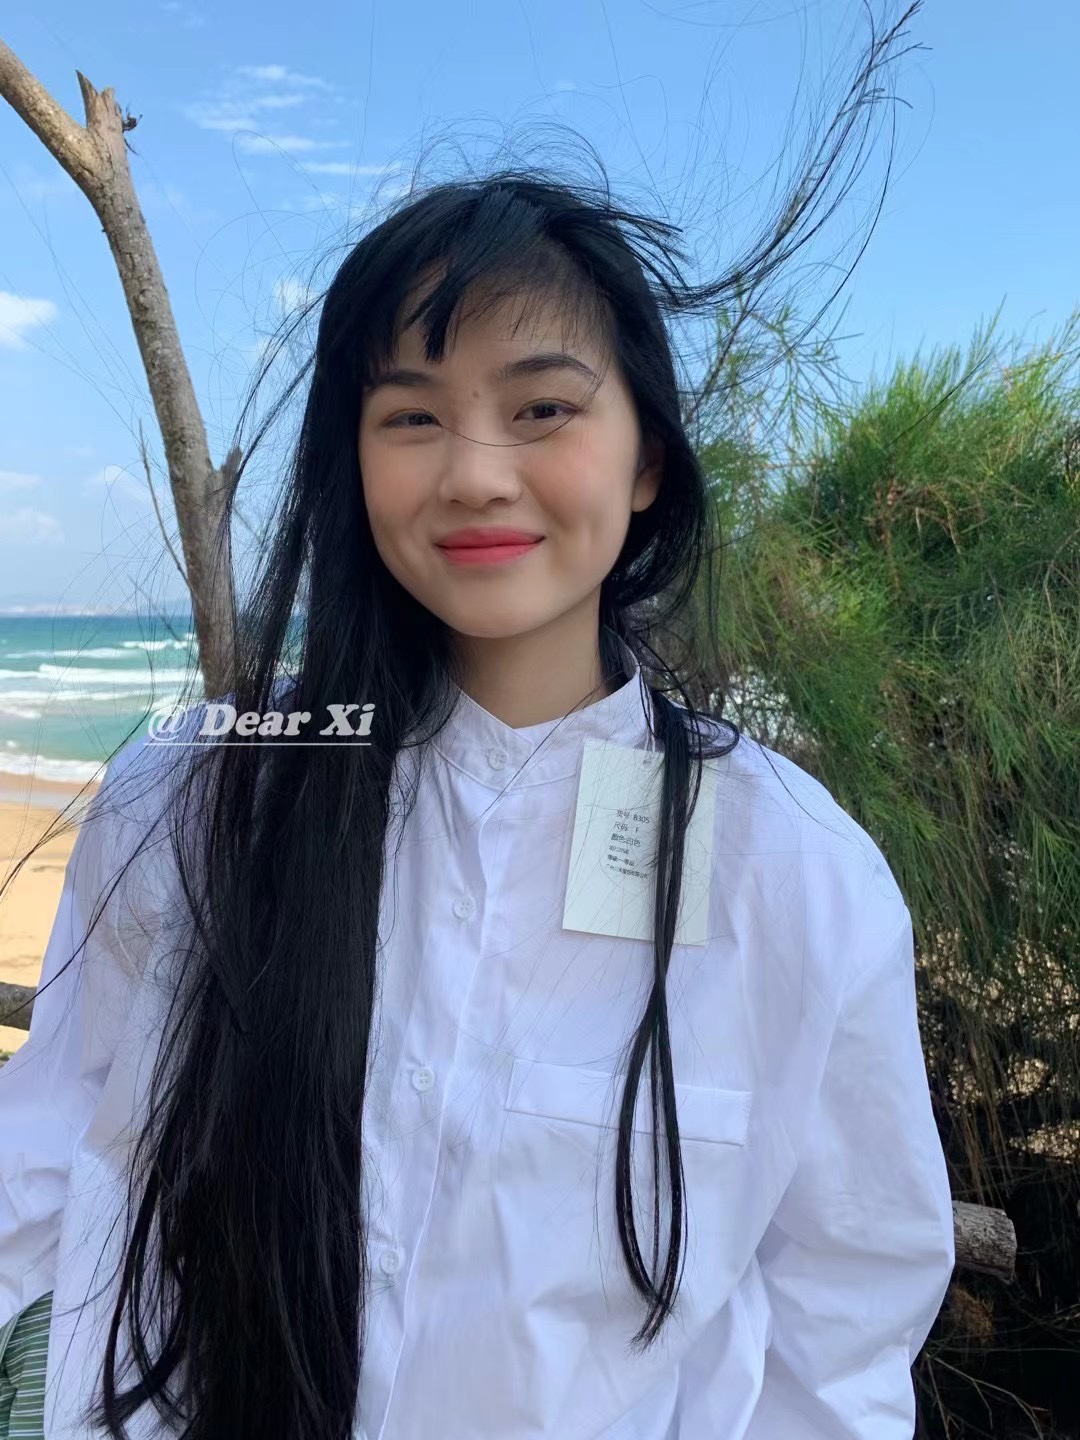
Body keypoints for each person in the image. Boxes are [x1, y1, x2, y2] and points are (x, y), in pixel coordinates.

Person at [0, 43, 954, 1440]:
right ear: (353, 457)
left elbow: (841, 1323)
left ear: (646, 457)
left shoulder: (796, 872)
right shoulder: (196, 800)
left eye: (543, 408)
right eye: (412, 416)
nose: (475, 474)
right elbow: (50, 1174)